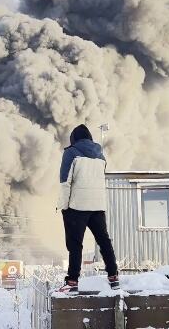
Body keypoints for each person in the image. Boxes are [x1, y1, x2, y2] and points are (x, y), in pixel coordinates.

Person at [57, 124, 119, 293]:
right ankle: (113, 276)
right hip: (98, 206)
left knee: (75, 244)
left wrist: (63, 206)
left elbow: (65, 182)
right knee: (104, 241)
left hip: (77, 206)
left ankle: (72, 281)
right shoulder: (101, 156)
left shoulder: (70, 153)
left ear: (74, 139)